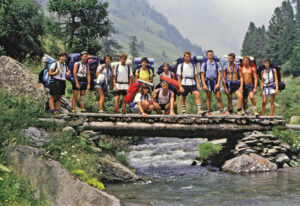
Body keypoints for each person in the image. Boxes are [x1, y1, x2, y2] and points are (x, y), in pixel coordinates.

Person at [177, 50, 203, 115]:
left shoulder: (193, 65)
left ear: (190, 57)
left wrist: (198, 85)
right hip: (184, 82)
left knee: (197, 94)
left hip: (192, 82)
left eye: (188, 57)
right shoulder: (181, 65)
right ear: (184, 57)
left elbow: (196, 76)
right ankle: (183, 112)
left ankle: (199, 110)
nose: (187, 58)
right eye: (186, 57)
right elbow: (179, 77)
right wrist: (180, 86)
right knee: (183, 97)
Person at [201, 50, 226, 115]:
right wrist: (204, 85)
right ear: (206, 56)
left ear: (213, 55)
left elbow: (219, 74)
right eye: (209, 55)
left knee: (218, 96)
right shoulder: (204, 64)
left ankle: (221, 110)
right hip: (208, 81)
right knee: (208, 97)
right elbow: (202, 75)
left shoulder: (217, 64)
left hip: (215, 81)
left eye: (211, 54)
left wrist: (218, 83)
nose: (210, 56)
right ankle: (209, 111)